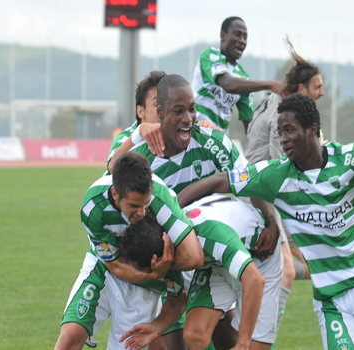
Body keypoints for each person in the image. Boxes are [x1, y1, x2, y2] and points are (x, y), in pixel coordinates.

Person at [177, 94, 354, 350]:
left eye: (290, 130)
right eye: (280, 131)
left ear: (312, 130)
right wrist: (173, 215)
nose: (283, 139)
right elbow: (219, 181)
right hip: (333, 302)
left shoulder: (353, 159)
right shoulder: (278, 175)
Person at [108, 73, 281, 350]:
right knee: (188, 337)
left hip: (210, 243)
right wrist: (138, 133)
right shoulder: (140, 148)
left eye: (191, 109)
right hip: (172, 252)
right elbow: (113, 168)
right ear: (159, 113)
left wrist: (272, 221)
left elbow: (251, 182)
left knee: (219, 331)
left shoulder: (214, 142)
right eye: (178, 111)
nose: (188, 118)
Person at [54, 152, 204, 350]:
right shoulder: (92, 207)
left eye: (146, 204)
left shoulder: (161, 201)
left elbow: (194, 257)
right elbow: (114, 265)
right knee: (68, 340)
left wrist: (159, 267)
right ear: (115, 194)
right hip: (104, 266)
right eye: (134, 205)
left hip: (147, 285)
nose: (142, 213)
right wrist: (152, 270)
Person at [120, 194, 283, 350]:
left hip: (260, 261)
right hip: (216, 264)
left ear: (160, 256)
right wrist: (155, 328)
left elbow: (255, 280)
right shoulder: (164, 249)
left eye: (151, 271)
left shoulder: (208, 234)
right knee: (195, 334)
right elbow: (176, 301)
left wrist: (242, 343)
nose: (153, 275)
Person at [243, 35, 324, 342]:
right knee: (288, 271)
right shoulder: (285, 114)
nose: (323, 92)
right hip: (263, 197)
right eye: (317, 87)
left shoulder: (275, 104)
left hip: (258, 192)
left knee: (308, 262)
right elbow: (284, 166)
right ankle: (260, 340)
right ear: (302, 89)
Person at [191, 16, 288, 133]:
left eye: (245, 37)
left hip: (217, 139)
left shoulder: (244, 78)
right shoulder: (210, 55)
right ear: (223, 36)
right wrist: (269, 84)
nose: (242, 40)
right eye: (237, 35)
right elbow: (228, 84)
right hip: (195, 129)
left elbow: (250, 126)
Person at [116, 216, 188, 349]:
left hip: (197, 278)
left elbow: (178, 300)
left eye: (141, 270)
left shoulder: (180, 261)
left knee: (195, 335)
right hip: (162, 290)